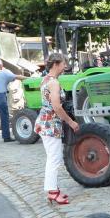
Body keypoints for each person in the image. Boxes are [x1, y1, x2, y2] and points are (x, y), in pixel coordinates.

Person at [34, 53, 80, 205]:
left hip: (45, 122)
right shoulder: (53, 83)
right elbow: (56, 106)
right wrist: (71, 122)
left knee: (53, 157)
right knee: (54, 158)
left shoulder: (46, 79)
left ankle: (53, 189)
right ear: (56, 64)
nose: (64, 66)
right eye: (63, 63)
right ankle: (53, 192)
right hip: (50, 124)